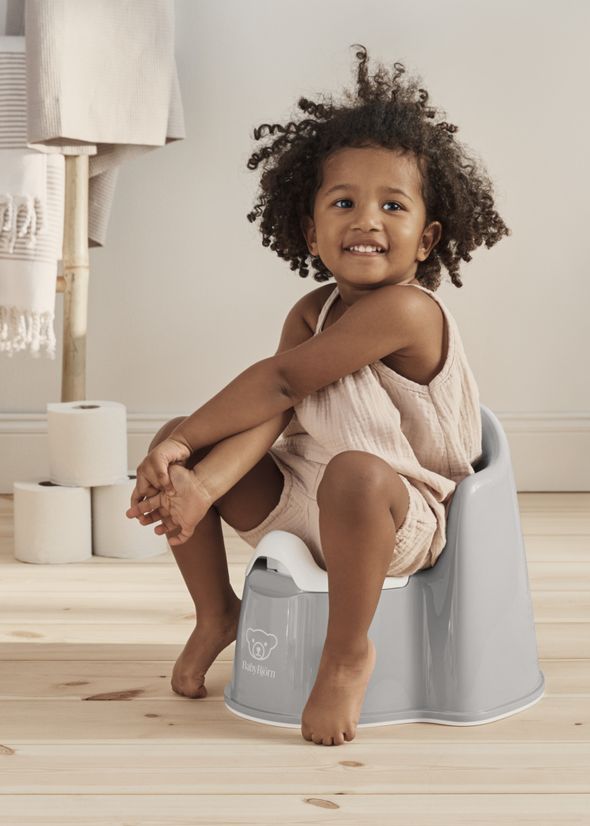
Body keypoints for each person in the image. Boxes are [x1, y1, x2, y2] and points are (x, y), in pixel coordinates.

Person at [125, 44, 511, 747]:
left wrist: (196, 467)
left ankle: (346, 653)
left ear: (425, 239)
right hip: (304, 497)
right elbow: (275, 409)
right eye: (343, 202)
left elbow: (280, 380)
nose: (366, 219)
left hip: (392, 516)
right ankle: (218, 614)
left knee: (354, 472)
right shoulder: (312, 311)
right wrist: (193, 470)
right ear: (311, 230)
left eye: (391, 205)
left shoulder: (410, 313)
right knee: (184, 429)